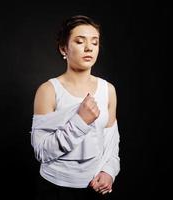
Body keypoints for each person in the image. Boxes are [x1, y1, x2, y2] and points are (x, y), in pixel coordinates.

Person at [30, 15, 120, 200]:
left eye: (94, 43)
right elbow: (42, 151)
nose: (89, 48)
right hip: (55, 188)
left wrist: (109, 171)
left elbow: (111, 144)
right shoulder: (48, 91)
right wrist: (80, 122)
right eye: (80, 41)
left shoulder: (108, 90)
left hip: (95, 188)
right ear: (64, 48)